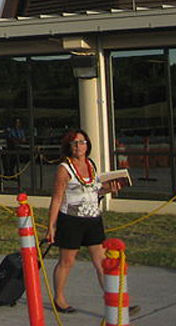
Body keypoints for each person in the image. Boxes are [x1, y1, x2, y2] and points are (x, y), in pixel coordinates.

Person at [45, 128, 132, 314]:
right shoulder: (64, 168)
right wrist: (51, 226)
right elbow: (57, 198)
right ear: (69, 146)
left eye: (82, 142)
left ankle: (114, 300)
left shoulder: (91, 164)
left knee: (101, 262)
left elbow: (94, 191)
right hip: (71, 220)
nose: (79, 146)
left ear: (87, 145)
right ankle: (59, 298)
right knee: (67, 261)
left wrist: (109, 188)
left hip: (93, 219)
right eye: (74, 143)